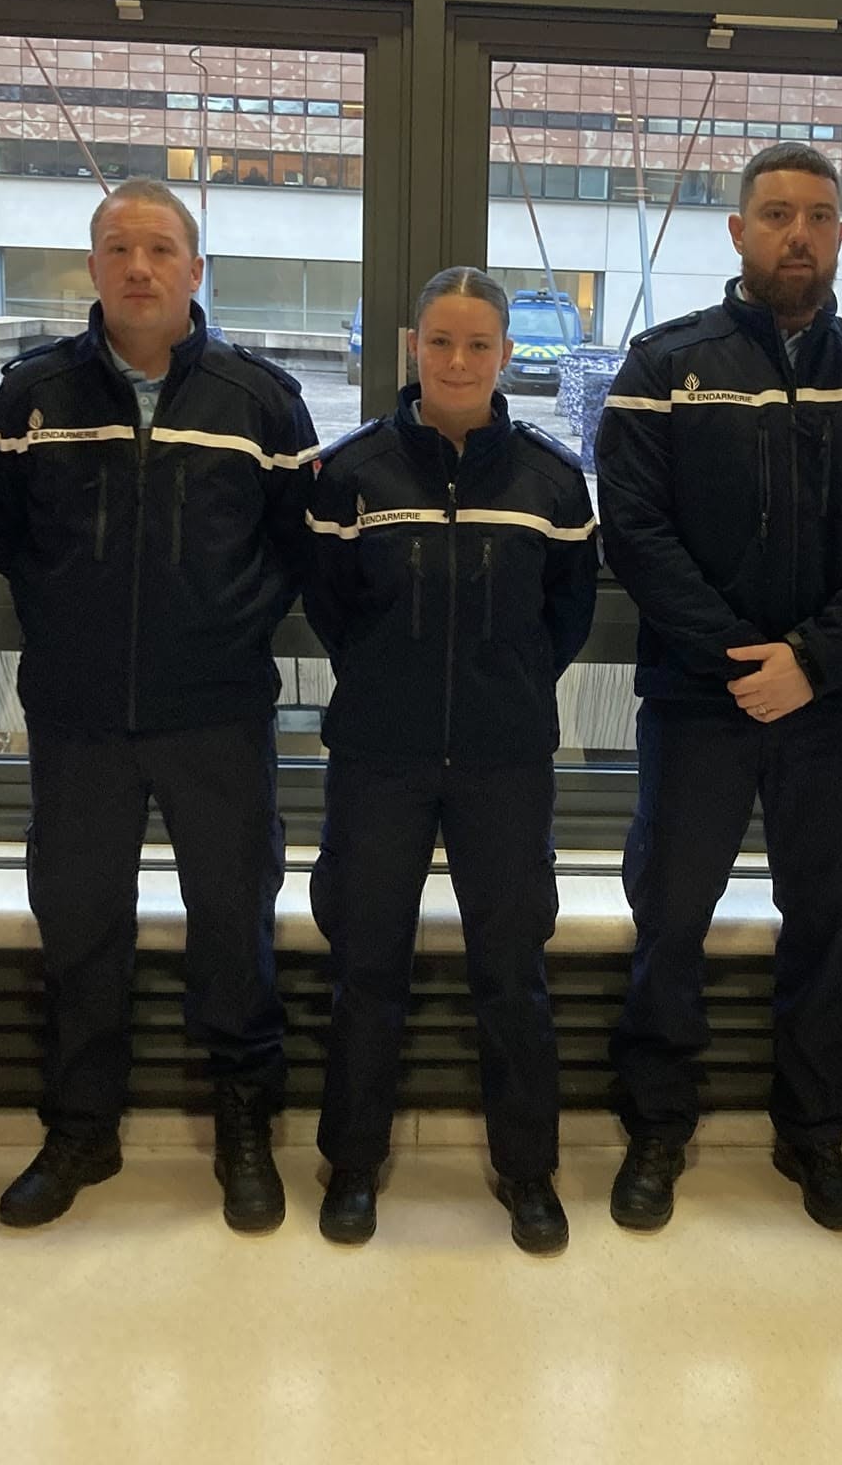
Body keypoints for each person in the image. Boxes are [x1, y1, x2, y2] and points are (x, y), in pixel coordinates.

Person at [596, 142, 842, 1234]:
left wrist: (813, 662)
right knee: (670, 920)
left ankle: (813, 1136)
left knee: (822, 923)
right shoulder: (661, 367)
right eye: (778, 213)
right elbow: (635, 531)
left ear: (840, 235)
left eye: (819, 216)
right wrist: (741, 659)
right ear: (738, 230)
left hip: (826, 708)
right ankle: (657, 1128)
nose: (799, 233)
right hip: (697, 701)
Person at [0, 178, 319, 1234]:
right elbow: (3, 531)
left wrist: (221, 627)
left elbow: (297, 545)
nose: (138, 267)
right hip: (77, 713)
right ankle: (82, 1126)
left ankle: (243, 1122)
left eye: (160, 249)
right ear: (91, 268)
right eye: (118, 248)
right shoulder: (30, 395)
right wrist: (70, 616)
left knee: (232, 921)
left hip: (216, 711)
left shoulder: (262, 400)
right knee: (79, 925)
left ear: (194, 270)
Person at [303, 267, 598, 1255]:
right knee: (366, 966)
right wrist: (392, 683)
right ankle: (352, 1162)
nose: (458, 362)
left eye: (478, 345)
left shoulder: (553, 481)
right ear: (412, 349)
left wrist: (499, 688)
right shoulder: (353, 473)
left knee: (511, 972)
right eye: (440, 342)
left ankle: (528, 1171)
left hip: (503, 761)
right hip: (377, 759)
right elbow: (331, 608)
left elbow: (566, 616)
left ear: (506, 355)